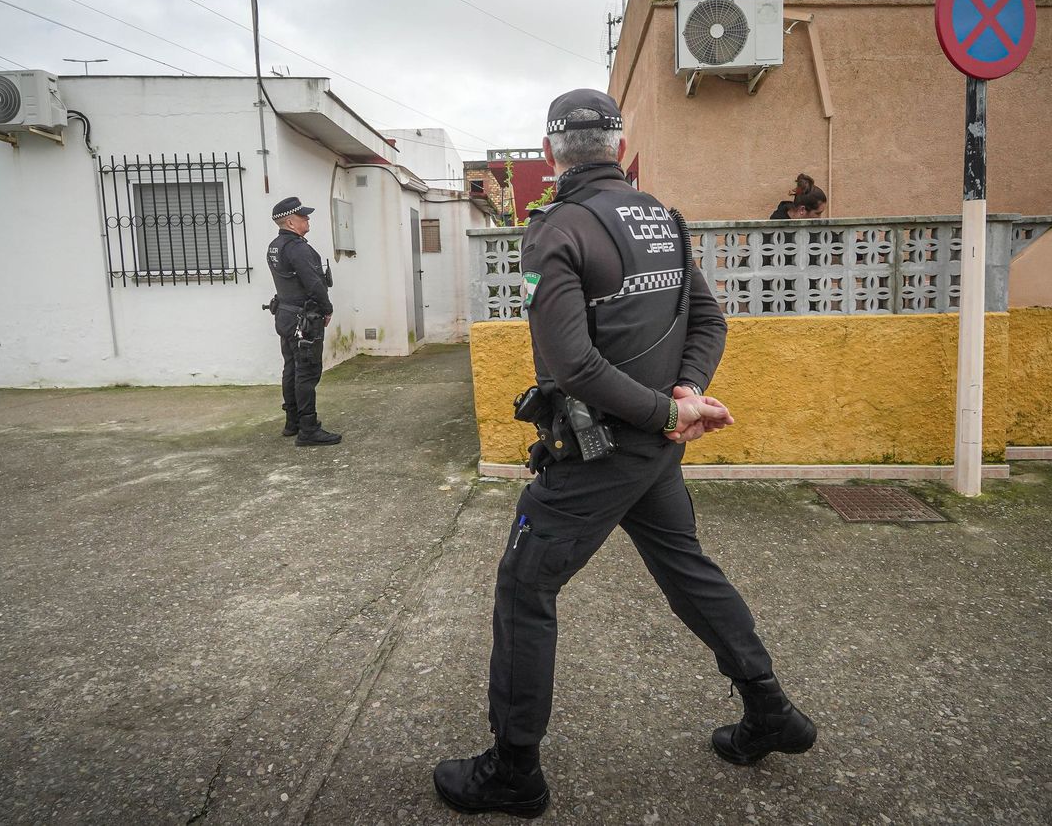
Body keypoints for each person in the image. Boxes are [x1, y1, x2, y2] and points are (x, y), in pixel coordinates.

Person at [433, 89, 815, 818]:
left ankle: (514, 770)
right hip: (654, 451)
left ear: (551, 152)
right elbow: (709, 318)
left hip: (598, 452)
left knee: (524, 587)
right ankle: (770, 709)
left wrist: (673, 406)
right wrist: (685, 393)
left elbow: (572, 365)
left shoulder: (559, 231)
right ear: (618, 145)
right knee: (688, 571)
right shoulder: (660, 217)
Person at [265, 197, 341, 446]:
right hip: (303, 319)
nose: (307, 219)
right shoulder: (297, 247)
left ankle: (292, 422)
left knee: (291, 368)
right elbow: (313, 282)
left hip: (286, 315)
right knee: (307, 372)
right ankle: (308, 428)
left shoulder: (275, 246)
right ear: (290, 221)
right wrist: (327, 308)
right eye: (303, 217)